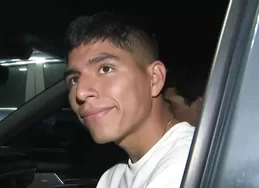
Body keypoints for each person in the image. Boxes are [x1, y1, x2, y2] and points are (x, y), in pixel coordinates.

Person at [64, 12, 195, 188]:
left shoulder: (189, 166)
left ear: (154, 78)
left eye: (105, 69)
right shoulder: (112, 177)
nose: (80, 92)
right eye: (74, 79)